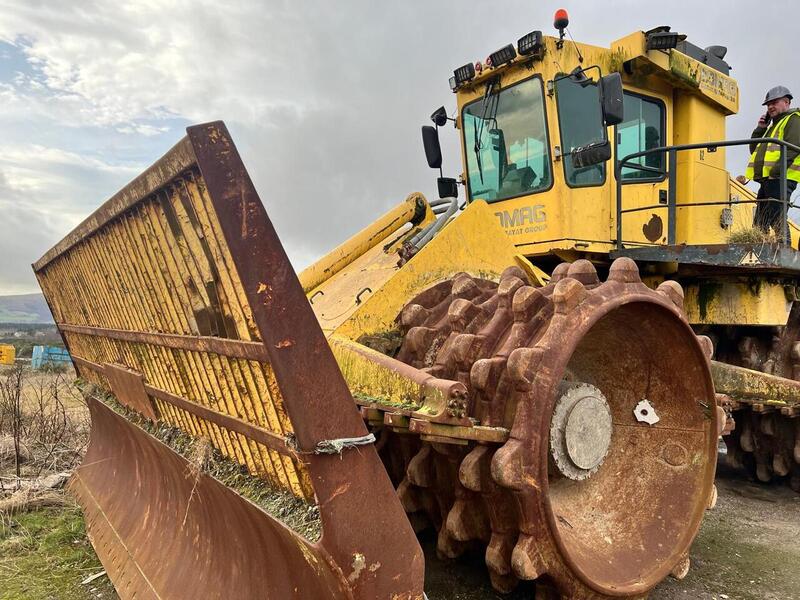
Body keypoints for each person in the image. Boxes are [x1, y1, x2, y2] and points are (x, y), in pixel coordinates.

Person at [746, 86, 800, 236]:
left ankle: (784, 246)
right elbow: (754, 150)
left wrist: (775, 172)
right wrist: (760, 129)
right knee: (760, 222)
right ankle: (760, 246)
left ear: (786, 102)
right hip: (769, 178)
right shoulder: (773, 125)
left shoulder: (794, 119)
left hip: (781, 177)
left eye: (774, 102)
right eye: (768, 104)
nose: (770, 107)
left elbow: (793, 148)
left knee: (776, 217)